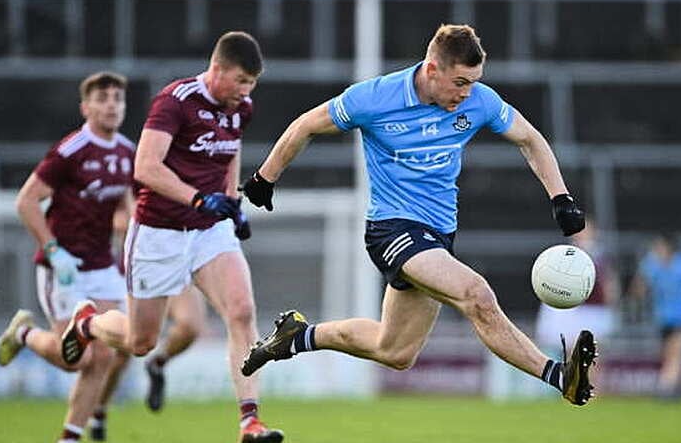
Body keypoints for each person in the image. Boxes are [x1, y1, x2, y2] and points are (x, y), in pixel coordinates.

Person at [241, 24, 597, 407]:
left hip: (438, 235)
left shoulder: (479, 101)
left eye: (473, 83)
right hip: (392, 228)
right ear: (432, 69)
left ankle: (296, 336)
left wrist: (560, 197)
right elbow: (307, 125)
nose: (466, 93)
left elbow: (530, 139)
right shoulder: (375, 97)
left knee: (394, 351)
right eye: (460, 82)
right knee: (476, 295)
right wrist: (265, 177)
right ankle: (559, 376)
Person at [58, 31, 282, 443]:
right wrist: (199, 199)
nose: (246, 92)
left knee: (242, 311)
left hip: (208, 231)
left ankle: (250, 422)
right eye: (240, 81)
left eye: (252, 83)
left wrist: (230, 202)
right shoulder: (175, 102)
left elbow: (231, 149)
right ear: (217, 70)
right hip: (158, 233)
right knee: (139, 342)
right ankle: (88, 322)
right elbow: (145, 167)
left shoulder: (240, 107)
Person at [0, 71, 134, 443]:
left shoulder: (127, 152)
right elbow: (26, 201)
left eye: (117, 99)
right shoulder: (71, 150)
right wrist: (54, 250)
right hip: (65, 266)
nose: (111, 106)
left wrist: (129, 225)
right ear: (85, 107)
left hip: (103, 265)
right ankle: (23, 333)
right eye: (102, 99)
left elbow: (123, 207)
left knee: (106, 355)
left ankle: (69, 438)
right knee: (78, 360)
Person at [628, 232, 681, 397]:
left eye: (659, 247)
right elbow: (638, 289)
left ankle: (665, 389)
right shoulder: (652, 264)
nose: (656, 250)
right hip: (662, 317)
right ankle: (676, 389)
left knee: (674, 353)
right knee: (669, 355)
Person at [536, 219, 620, 352]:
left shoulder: (601, 257)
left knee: (593, 354)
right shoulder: (564, 255)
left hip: (594, 311)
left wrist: (610, 299)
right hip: (573, 312)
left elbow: (609, 283)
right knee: (572, 352)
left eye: (586, 231)